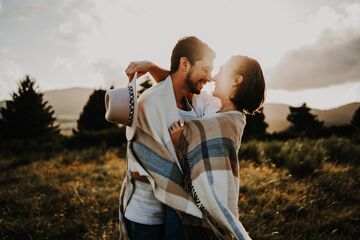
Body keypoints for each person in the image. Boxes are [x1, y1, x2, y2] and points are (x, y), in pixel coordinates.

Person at [126, 55, 265, 240]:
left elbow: (201, 171)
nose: (213, 78)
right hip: (176, 205)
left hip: (196, 213)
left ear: (236, 80)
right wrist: (152, 67)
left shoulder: (229, 123)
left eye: (221, 72)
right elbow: (178, 86)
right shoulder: (212, 106)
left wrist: (181, 144)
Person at [120, 36, 216, 240]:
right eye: (206, 69)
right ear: (184, 63)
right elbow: (143, 162)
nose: (209, 77)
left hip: (176, 212)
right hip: (146, 216)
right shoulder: (150, 102)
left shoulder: (193, 103)